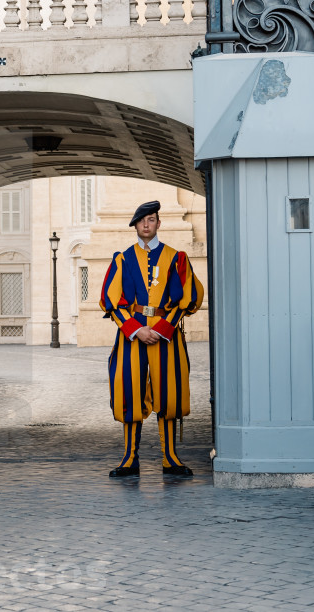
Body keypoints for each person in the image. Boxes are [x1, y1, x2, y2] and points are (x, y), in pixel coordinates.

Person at [99, 200, 203, 477]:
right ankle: (129, 458)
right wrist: (136, 329)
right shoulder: (122, 259)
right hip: (131, 336)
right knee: (129, 393)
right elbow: (111, 300)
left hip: (166, 336)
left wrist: (162, 329)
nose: (147, 224)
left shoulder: (176, 257)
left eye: (152, 219)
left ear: (159, 223)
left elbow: (187, 299)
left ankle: (170, 457)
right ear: (135, 225)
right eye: (142, 220)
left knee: (169, 395)